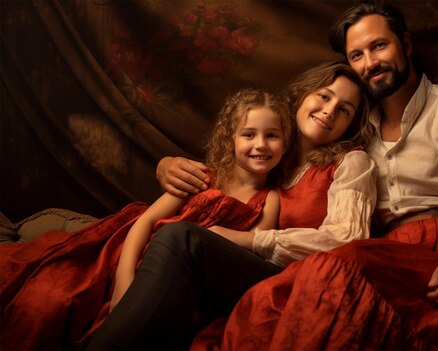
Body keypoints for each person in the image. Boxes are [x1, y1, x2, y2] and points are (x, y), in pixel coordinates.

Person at [158, 1, 438, 350]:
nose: (370, 62)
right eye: (357, 55)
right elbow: (256, 152)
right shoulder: (351, 131)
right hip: (388, 255)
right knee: (319, 288)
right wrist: (171, 166)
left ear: (407, 45)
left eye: (379, 46)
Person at [86, 61, 377, 349]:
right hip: (228, 267)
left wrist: (245, 238)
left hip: (291, 276)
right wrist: (166, 164)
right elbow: (224, 174)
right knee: (176, 246)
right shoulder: (273, 158)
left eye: (344, 110)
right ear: (301, 95)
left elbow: (347, 239)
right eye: (324, 96)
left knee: (181, 237)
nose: (329, 110)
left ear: (351, 124)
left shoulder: (349, 162)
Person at [0, 88, 291, 350]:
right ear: (231, 139)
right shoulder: (203, 177)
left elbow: (251, 250)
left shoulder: (270, 199)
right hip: (134, 253)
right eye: (249, 134)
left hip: (180, 278)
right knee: (55, 299)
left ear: (285, 141)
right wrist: (122, 287)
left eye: (272, 135)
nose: (261, 144)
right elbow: (145, 222)